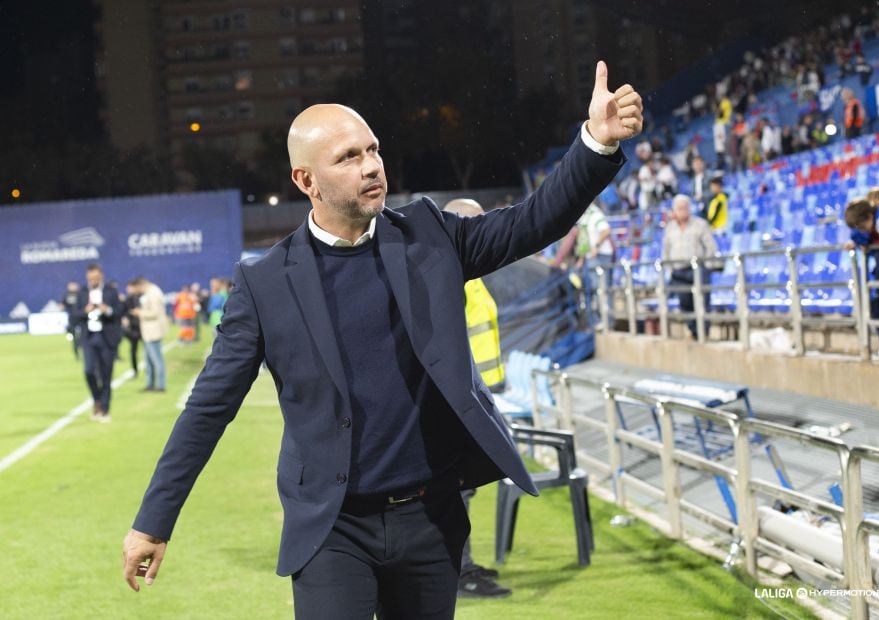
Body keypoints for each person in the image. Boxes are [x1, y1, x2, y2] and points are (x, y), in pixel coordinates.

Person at [122, 60, 643, 619]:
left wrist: (595, 143)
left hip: (431, 518)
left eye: (373, 150)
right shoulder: (264, 283)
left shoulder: (430, 234)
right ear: (307, 181)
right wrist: (154, 521)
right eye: (348, 157)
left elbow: (533, 221)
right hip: (333, 527)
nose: (372, 167)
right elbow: (209, 407)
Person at [442, 198, 510, 600]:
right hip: (460, 406)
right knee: (457, 492)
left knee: (464, 491)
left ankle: (462, 565)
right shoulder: (453, 276)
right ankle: (459, 572)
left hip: (477, 401)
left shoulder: (471, 272)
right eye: (478, 223)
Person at [843, 190, 879, 361]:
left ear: (869, 216)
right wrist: (855, 241)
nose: (862, 230)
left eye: (862, 225)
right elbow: (860, 236)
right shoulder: (871, 230)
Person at [70, 264, 123, 422]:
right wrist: (84, 311)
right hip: (89, 337)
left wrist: (107, 310)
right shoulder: (82, 293)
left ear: (101, 276)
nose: (93, 280)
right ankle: (97, 400)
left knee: (106, 375)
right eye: (90, 278)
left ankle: (105, 410)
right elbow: (74, 315)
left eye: (96, 277)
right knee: (89, 371)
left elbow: (119, 312)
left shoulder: (110, 291)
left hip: (106, 337)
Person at [663, 195, 717, 339]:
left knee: (702, 302)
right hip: (678, 271)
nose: (683, 211)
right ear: (674, 210)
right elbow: (666, 251)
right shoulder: (669, 228)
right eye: (680, 208)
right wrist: (669, 269)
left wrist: (706, 266)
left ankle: (703, 333)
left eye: (686, 207)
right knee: (685, 304)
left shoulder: (700, 224)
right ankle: (693, 331)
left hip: (697, 269)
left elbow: (710, 246)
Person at [131, 277, 168, 392]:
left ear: (140, 285)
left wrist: (140, 312)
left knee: (157, 359)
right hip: (148, 332)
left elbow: (155, 312)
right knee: (148, 360)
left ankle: (161, 385)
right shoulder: (150, 292)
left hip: (153, 331)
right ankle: (150, 384)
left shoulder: (153, 293)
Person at [122, 282, 143, 378]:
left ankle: (151, 372)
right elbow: (124, 311)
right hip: (133, 328)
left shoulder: (142, 297)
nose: (129, 290)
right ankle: (135, 370)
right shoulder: (128, 299)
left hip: (143, 327)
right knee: (133, 351)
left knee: (149, 351)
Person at [61, 281, 82, 360]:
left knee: (82, 335)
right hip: (72, 318)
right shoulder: (66, 295)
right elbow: (63, 304)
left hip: (81, 317)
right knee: (73, 336)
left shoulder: (80, 294)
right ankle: (76, 352)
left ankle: (79, 344)